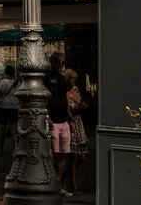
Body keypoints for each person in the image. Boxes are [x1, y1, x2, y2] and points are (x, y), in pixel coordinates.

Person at [46, 52, 72, 191]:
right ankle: (53, 183)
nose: (61, 65)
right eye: (58, 62)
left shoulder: (62, 78)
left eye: (63, 62)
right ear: (51, 62)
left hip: (64, 121)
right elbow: (45, 100)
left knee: (63, 154)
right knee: (55, 154)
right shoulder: (46, 78)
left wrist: (70, 119)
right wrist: (48, 117)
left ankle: (59, 182)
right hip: (53, 122)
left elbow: (65, 100)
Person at [64, 68, 89, 196]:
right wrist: (71, 119)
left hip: (79, 121)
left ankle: (63, 177)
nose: (73, 81)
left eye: (74, 79)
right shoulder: (65, 93)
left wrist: (83, 105)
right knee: (72, 157)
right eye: (70, 79)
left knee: (81, 157)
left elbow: (80, 101)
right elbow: (66, 108)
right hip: (70, 122)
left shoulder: (76, 90)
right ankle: (73, 186)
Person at [0, 65, 19, 156]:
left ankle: (0, 151)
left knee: (2, 131)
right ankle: (13, 151)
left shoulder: (3, 82)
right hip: (15, 109)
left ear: (6, 73)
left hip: (3, 108)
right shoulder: (18, 83)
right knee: (14, 132)